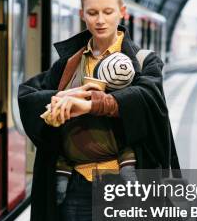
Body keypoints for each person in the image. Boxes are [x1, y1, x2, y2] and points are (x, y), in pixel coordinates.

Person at [18, 0, 175, 221]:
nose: (100, 19)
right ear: (82, 15)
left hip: (126, 185)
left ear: (122, 12)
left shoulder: (142, 61)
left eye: (107, 11)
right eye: (92, 12)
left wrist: (87, 102)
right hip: (76, 185)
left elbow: (147, 101)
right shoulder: (68, 65)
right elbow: (29, 94)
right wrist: (58, 101)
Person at [41, 52, 138, 205]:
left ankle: (62, 180)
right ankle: (62, 180)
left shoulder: (140, 60)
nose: (100, 25)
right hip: (79, 178)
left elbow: (141, 101)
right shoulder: (71, 61)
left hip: (113, 179)